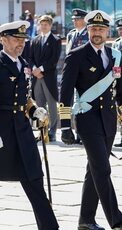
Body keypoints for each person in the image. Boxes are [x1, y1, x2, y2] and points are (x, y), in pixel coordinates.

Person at [0, 20, 74, 230]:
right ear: (3, 40)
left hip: (21, 130)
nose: (20, 44)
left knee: (34, 177)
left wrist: (35, 111)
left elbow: (24, 98)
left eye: (23, 40)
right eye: (15, 40)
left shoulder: (24, 63)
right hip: (0, 130)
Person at [59, 10, 122, 230]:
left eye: (101, 29)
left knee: (94, 169)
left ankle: (86, 219)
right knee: (102, 168)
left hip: (109, 120)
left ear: (108, 31)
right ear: (87, 30)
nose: (97, 33)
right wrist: (65, 125)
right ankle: (117, 220)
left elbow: (119, 89)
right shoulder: (76, 55)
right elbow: (65, 92)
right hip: (88, 119)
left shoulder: (114, 55)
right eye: (93, 29)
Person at [30, 15, 62, 142]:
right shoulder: (35, 40)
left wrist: (41, 69)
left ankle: (52, 131)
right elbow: (30, 58)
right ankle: (42, 131)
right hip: (37, 78)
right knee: (40, 105)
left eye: (46, 24)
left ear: (50, 25)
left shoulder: (56, 40)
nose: (43, 26)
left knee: (52, 105)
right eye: (41, 24)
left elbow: (54, 60)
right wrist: (34, 69)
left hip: (48, 77)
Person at [66, 8, 89, 144]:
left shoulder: (88, 34)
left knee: (82, 103)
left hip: (84, 74)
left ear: (84, 20)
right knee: (73, 104)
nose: (74, 21)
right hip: (72, 73)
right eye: (73, 19)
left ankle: (82, 134)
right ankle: (74, 132)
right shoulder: (71, 34)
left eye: (77, 19)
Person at [113, 19, 122, 147]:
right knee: (120, 108)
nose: (121, 31)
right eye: (119, 29)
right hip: (119, 81)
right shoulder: (116, 44)